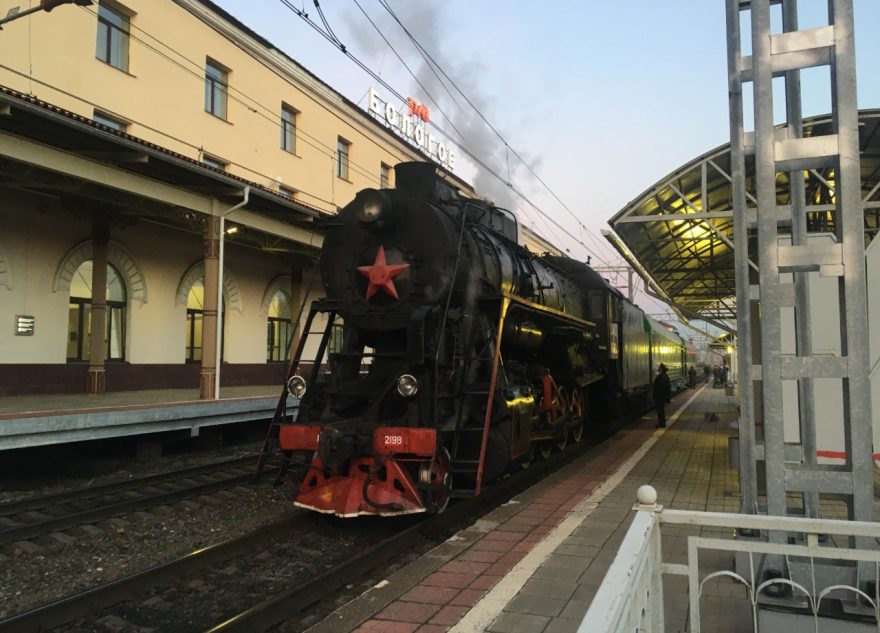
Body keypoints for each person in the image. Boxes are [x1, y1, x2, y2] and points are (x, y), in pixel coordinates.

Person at [653, 363, 672, 428]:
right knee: (660, 411)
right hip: (661, 396)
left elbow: (661, 387)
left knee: (660, 411)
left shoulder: (662, 376)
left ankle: (661, 424)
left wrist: (657, 395)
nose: (658, 368)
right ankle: (661, 423)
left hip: (660, 397)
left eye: (659, 367)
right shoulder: (664, 376)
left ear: (661, 369)